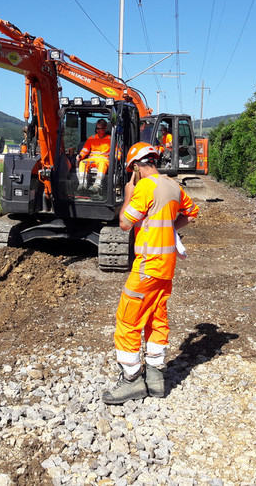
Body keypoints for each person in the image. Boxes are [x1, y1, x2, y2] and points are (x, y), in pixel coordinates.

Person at [102, 142, 199, 404]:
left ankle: (131, 380)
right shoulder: (173, 186)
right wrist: (169, 229)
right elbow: (192, 213)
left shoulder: (145, 187)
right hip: (166, 266)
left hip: (147, 266)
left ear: (136, 167)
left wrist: (129, 193)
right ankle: (155, 378)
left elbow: (125, 223)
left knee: (128, 319)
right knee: (156, 316)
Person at [76, 119, 111, 191]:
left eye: (100, 129)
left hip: (104, 160)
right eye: (97, 128)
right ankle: (82, 184)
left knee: (102, 164)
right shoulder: (91, 138)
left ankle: (97, 185)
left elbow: (117, 152)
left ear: (105, 128)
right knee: (82, 162)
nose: (98, 131)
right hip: (92, 160)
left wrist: (117, 157)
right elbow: (85, 150)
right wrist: (80, 155)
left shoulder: (111, 139)